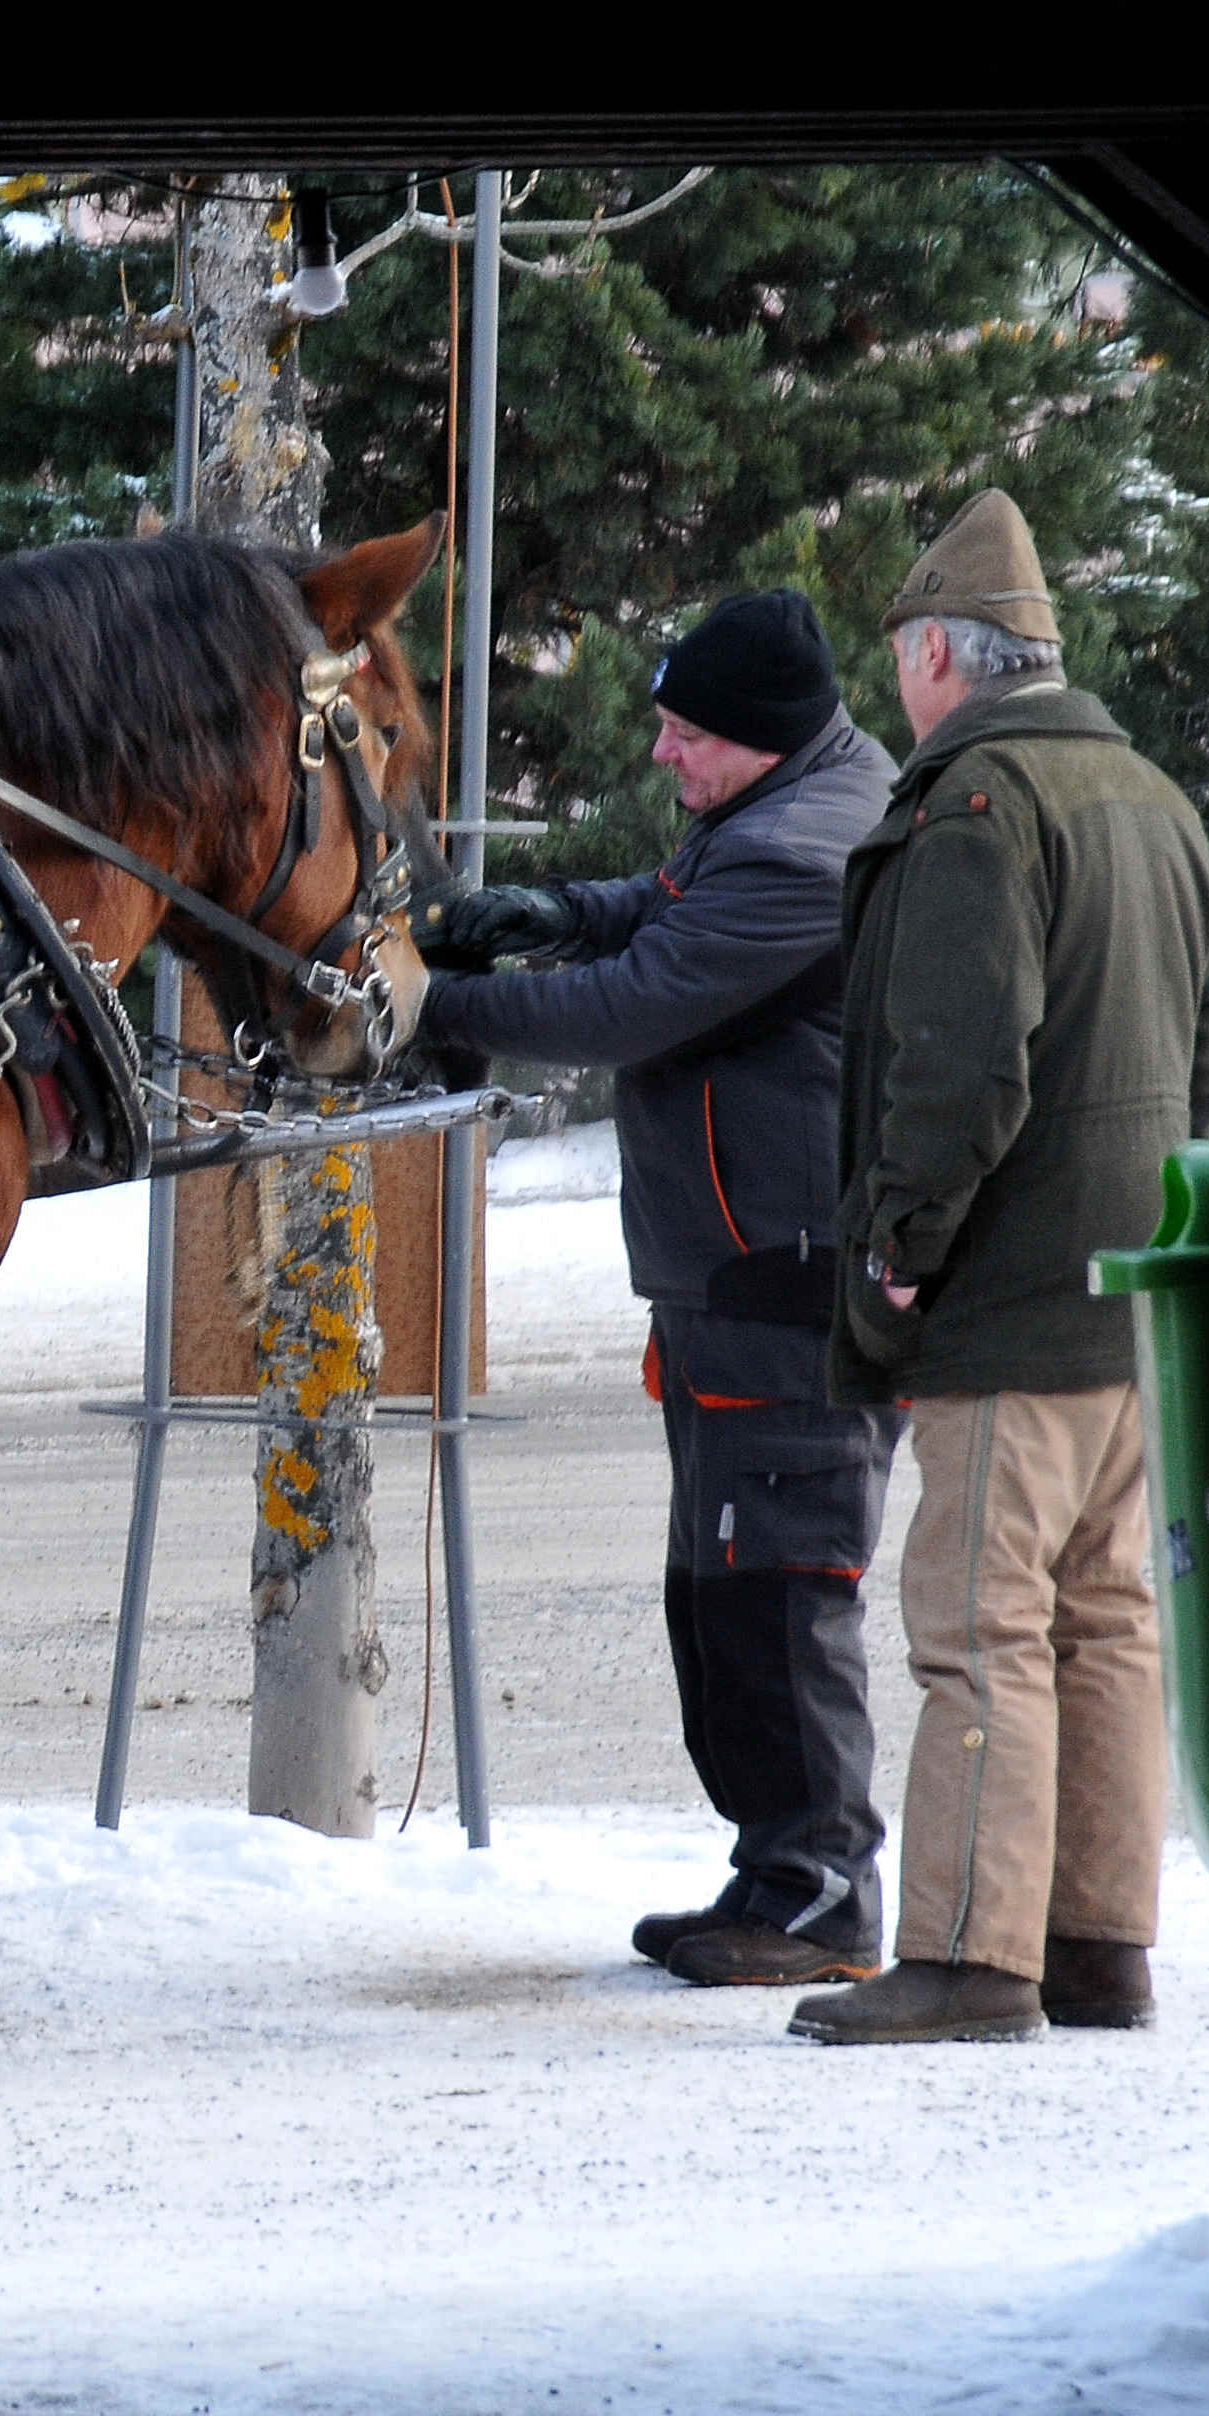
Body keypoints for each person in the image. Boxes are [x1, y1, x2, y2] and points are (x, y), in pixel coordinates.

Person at [787, 490, 1209, 2047]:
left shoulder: (978, 807)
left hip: (1006, 1309)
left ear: (942, 657)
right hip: (1135, 1305)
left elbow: (958, 1071)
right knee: (1106, 1622)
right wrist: (1132, 1206)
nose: (899, 683)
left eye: (905, 654)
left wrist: (905, 1247)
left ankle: (977, 1960)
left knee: (978, 1631)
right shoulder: (1157, 801)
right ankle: (1098, 1942)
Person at [411, 591, 901, 1986]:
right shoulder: (776, 808)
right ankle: (776, 1872)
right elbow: (658, 913)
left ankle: (818, 1891)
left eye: (686, 733)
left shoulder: (806, 855)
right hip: (731, 1268)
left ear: (758, 740)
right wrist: (552, 911)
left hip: (781, 1277)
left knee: (782, 1584)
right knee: (722, 1586)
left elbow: (631, 1002)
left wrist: (429, 1004)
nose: (662, 756)